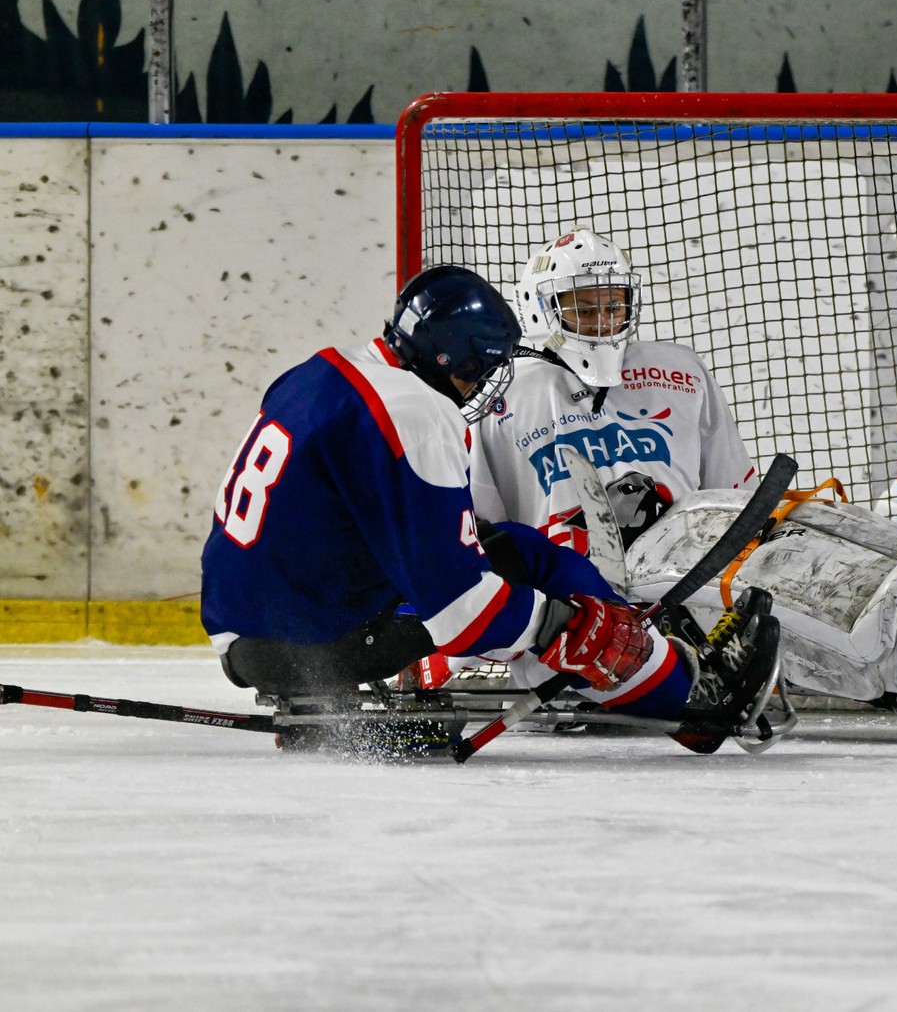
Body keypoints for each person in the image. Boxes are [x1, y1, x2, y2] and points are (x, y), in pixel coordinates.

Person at [467, 228, 897, 731]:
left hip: (691, 549)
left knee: (795, 554)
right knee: (791, 625)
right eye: (583, 308)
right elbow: (482, 535)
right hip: (600, 598)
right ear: (540, 307)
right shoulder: (499, 398)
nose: (601, 322)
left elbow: (735, 493)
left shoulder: (677, 373)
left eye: (612, 305)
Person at [199, 264, 771, 753]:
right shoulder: (417, 412)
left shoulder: (323, 369)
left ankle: (654, 659)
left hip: (258, 624)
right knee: (566, 616)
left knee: (518, 548)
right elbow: (461, 613)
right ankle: (687, 701)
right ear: (459, 360)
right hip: (302, 646)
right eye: (489, 364)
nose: (489, 383)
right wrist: (569, 625)